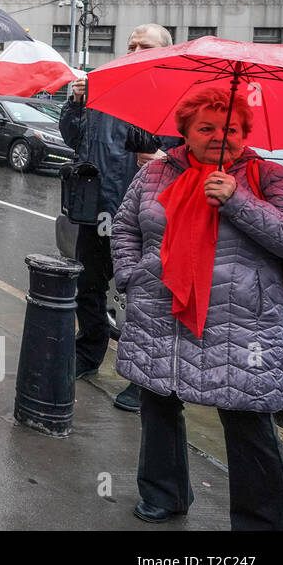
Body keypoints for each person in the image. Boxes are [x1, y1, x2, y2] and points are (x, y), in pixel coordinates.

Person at [112, 84, 283, 529]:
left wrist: (238, 201)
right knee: (158, 402)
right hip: (159, 310)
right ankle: (163, 494)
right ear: (186, 131)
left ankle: (262, 520)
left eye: (232, 129)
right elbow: (125, 227)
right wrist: (131, 274)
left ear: (245, 133)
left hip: (241, 321)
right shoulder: (157, 174)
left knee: (247, 421)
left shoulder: (270, 177)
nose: (221, 136)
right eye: (207, 127)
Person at [60, 23, 174, 411]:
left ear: (164, 51)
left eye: (145, 45)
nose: (136, 49)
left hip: (151, 215)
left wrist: (164, 159)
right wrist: (75, 104)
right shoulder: (106, 90)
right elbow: (75, 139)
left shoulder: (176, 96)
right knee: (89, 287)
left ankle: (142, 377)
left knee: (143, 297)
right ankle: (88, 352)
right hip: (99, 209)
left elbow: (196, 151)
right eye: (131, 45)